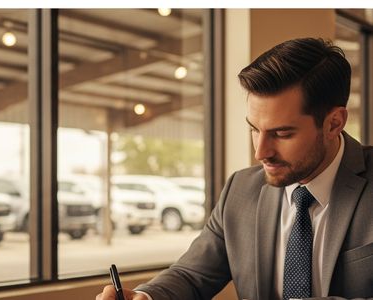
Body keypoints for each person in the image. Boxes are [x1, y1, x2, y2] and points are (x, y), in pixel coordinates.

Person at [97, 37, 373, 300]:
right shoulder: (240, 190)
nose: (260, 152)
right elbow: (192, 274)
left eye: (282, 134)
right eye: (254, 129)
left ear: (334, 123)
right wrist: (145, 295)